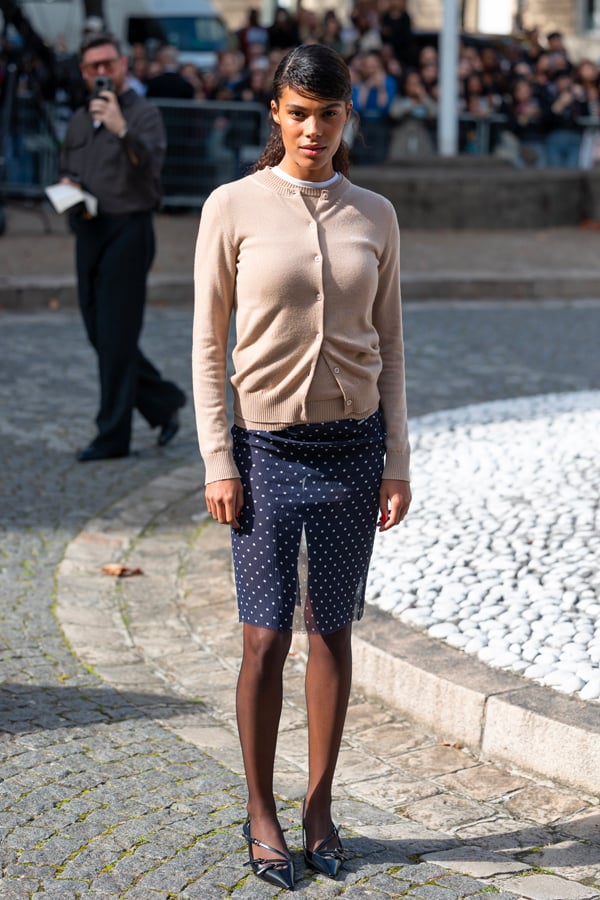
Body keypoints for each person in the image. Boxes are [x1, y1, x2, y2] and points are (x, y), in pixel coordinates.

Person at [192, 43, 411, 890]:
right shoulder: (233, 206)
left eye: (328, 113)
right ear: (276, 115)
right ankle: (261, 809)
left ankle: (320, 807)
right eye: (298, 113)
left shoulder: (376, 215)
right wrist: (220, 458)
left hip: (354, 450)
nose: (313, 129)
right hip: (265, 449)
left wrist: (397, 459)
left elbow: (392, 343)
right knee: (263, 636)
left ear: (345, 115)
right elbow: (210, 345)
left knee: (332, 629)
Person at [61, 32, 186, 461]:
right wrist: (68, 185)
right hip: (88, 230)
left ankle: (112, 435)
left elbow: (152, 166)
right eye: (92, 67)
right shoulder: (79, 119)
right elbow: (70, 165)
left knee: (116, 336)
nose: (101, 73)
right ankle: (163, 400)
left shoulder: (143, 113)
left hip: (129, 231)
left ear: (122, 66)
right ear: (83, 72)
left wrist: (121, 129)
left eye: (107, 64)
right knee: (102, 334)